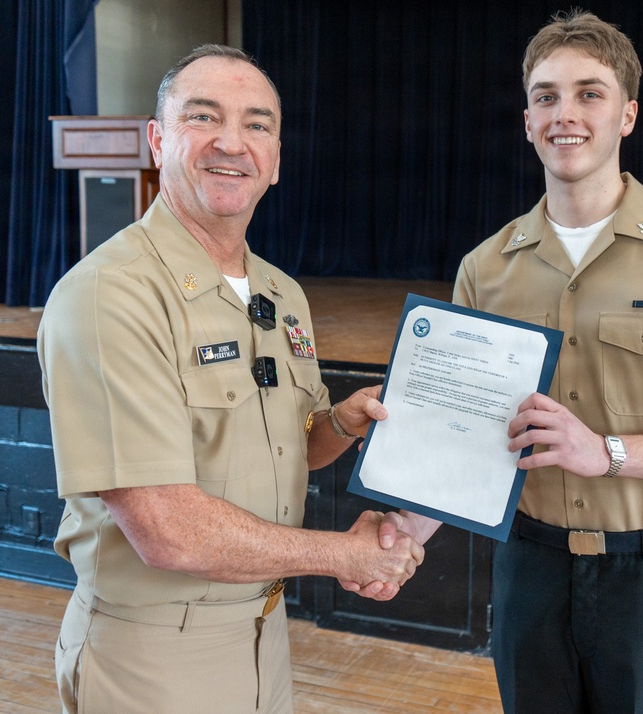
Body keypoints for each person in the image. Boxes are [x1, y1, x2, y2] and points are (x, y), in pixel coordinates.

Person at [376, 9, 643, 713]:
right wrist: (396, 539)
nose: (566, 113)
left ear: (627, 115)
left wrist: (608, 452)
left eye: (589, 93)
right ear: (527, 118)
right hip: (530, 569)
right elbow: (468, 441)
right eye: (546, 95)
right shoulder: (485, 267)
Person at [37, 44, 423, 714]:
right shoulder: (110, 295)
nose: (231, 143)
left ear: (275, 159)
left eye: (257, 124)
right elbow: (166, 529)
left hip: (263, 634)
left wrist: (339, 423)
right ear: (158, 140)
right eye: (203, 117)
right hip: (154, 657)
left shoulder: (280, 293)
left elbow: (285, 446)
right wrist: (344, 556)